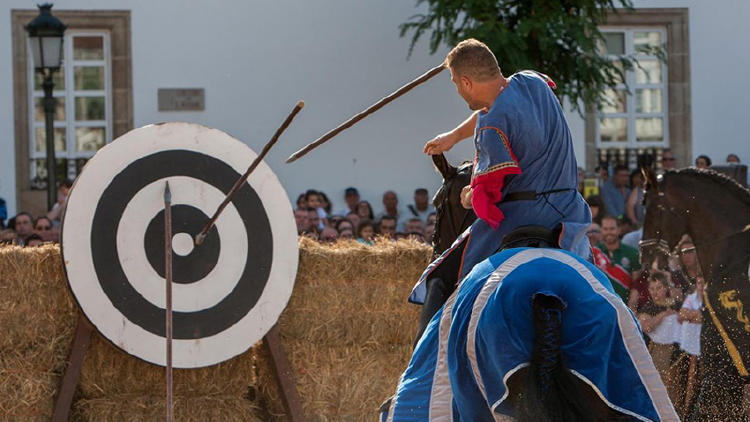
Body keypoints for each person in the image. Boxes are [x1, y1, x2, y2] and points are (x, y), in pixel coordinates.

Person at [414, 38, 591, 331]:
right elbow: (494, 105)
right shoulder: (532, 82)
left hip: (521, 218)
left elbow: (488, 198)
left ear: (467, 82)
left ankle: (428, 364)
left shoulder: (492, 127)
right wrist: (454, 136)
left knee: (443, 277)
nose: (457, 89)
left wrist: (469, 196)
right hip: (569, 214)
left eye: (456, 83)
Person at [637, 273, 682, 402]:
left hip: (679, 350)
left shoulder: (677, 304)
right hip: (658, 351)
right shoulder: (649, 307)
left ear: (666, 288)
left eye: (659, 288)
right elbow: (646, 327)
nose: (655, 292)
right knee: (660, 385)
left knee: (677, 385)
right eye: (652, 289)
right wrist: (662, 315)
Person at [594, 215, 640, 303]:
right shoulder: (593, 252)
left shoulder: (632, 253)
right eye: (605, 229)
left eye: (612, 229)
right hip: (600, 305)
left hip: (624, 306)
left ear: (619, 230)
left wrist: (632, 307)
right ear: (601, 231)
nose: (608, 232)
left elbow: (636, 284)